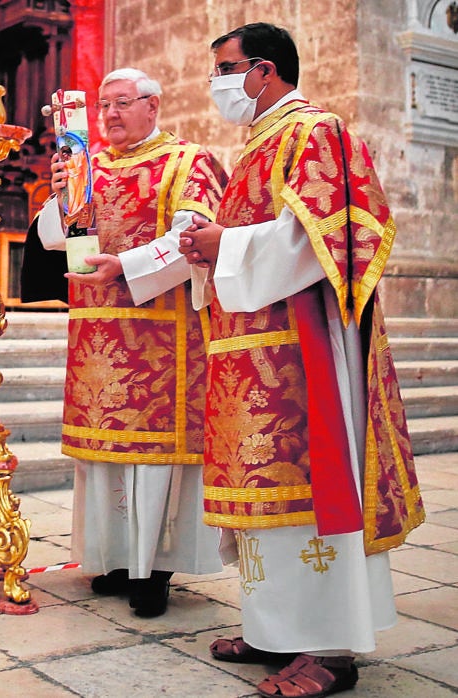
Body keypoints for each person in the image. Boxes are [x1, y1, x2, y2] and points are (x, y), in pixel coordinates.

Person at [178, 23, 423, 697]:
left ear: (263, 71)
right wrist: (209, 246)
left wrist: (223, 241)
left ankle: (330, 648)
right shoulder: (258, 141)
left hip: (299, 351)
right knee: (261, 507)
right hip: (249, 354)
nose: (218, 85)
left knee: (310, 498)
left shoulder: (316, 131)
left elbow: (326, 236)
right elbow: (247, 243)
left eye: (225, 70)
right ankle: (274, 631)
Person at [23, 68, 227, 617]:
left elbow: (193, 239)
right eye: (103, 105)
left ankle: (155, 569)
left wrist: (126, 267)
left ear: (152, 106)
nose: (109, 114)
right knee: (104, 457)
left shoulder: (189, 161)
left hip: (160, 338)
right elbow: (51, 238)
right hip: (95, 335)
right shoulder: (87, 163)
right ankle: (113, 558)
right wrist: (60, 193)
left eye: (121, 103)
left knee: (154, 460)